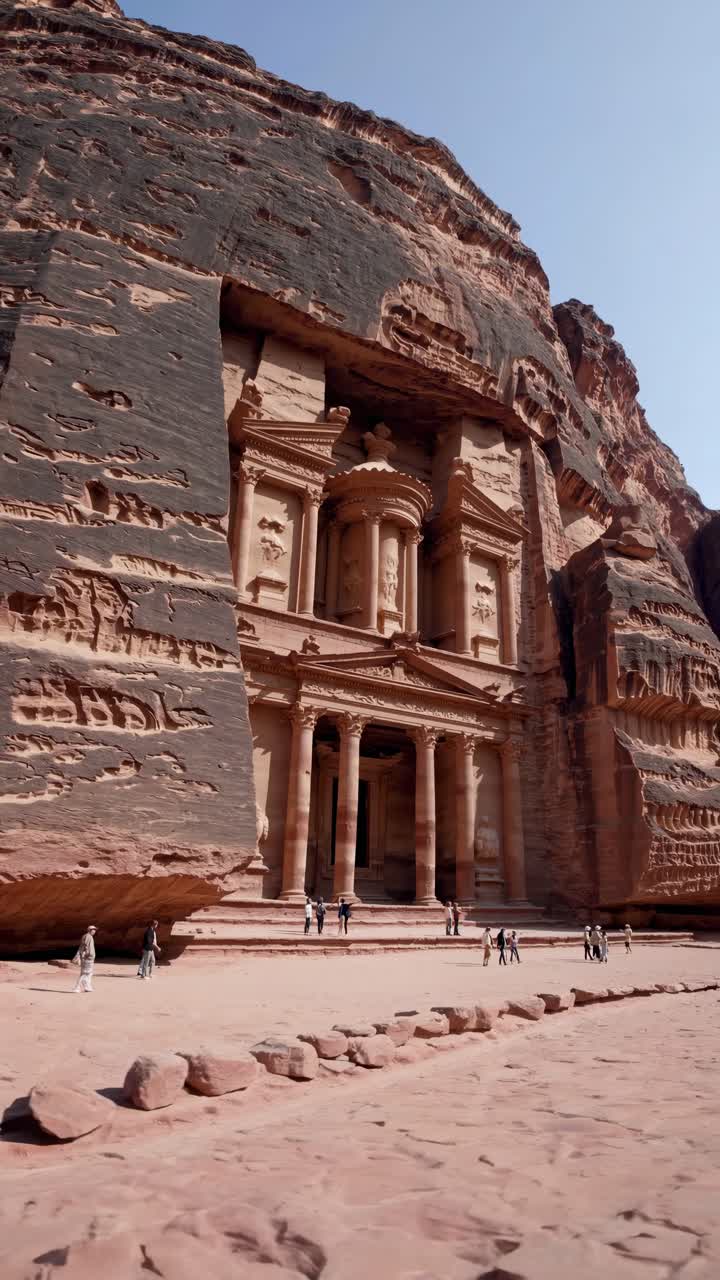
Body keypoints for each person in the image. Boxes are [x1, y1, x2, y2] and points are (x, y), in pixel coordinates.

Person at [72, 925, 97, 993]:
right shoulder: (88, 936)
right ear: (89, 930)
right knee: (84, 973)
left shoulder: (88, 936)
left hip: (89, 958)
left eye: (95, 929)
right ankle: (77, 987)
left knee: (89, 973)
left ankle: (87, 987)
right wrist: (85, 955)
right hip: (87, 958)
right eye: (93, 929)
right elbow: (85, 946)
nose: (94, 931)